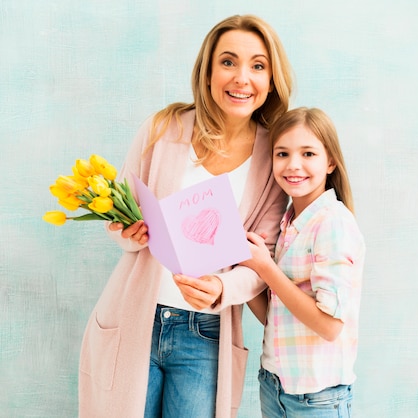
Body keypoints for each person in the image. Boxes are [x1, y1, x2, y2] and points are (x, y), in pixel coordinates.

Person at [78, 14, 293, 418]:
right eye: (228, 61)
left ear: (271, 79)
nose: (241, 78)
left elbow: (259, 262)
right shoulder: (163, 129)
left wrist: (221, 287)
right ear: (208, 71)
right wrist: (131, 233)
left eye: (257, 65)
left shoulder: (274, 157)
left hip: (206, 334)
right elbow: (116, 219)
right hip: (134, 317)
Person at [240, 107, 366, 418]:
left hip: (317, 399)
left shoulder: (332, 223)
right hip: (275, 386)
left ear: (330, 162)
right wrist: (245, 266)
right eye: (282, 154)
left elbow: (329, 325)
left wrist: (267, 269)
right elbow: (278, 316)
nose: (293, 165)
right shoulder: (288, 225)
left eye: (308, 153)